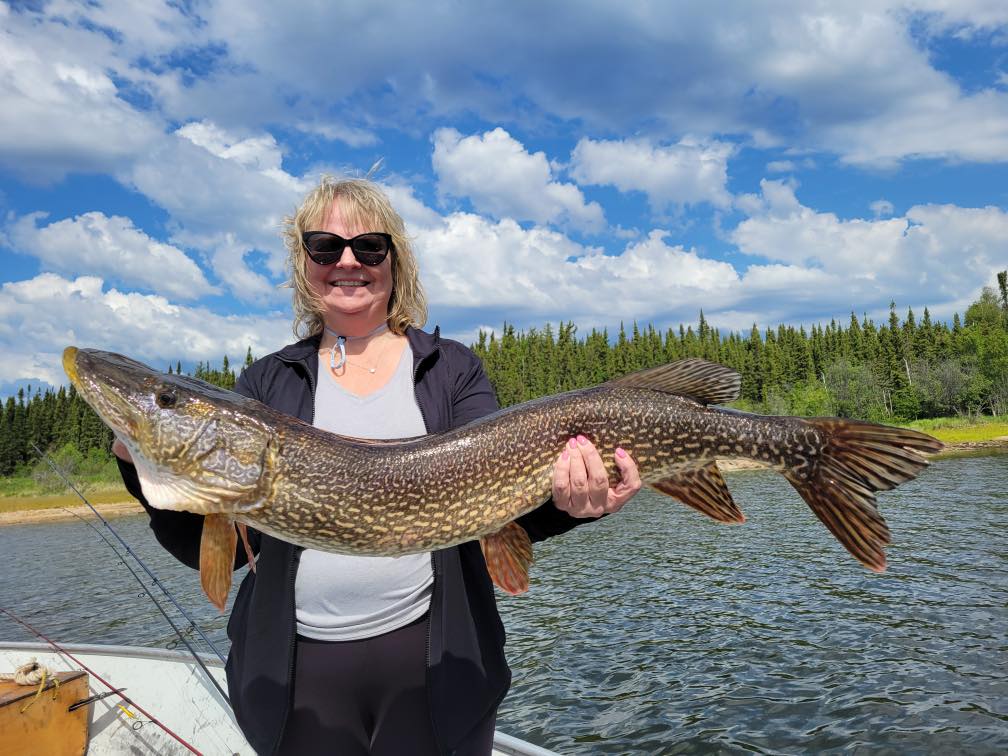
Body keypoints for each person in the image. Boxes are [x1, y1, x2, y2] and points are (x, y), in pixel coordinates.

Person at [112, 177, 642, 755]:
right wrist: (140, 464)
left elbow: (502, 508)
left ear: (395, 261)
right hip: (298, 677)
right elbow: (209, 550)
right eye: (324, 247)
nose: (347, 261)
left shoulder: (451, 370)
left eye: (369, 247)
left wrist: (578, 507)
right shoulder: (266, 385)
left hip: (438, 666)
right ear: (304, 263)